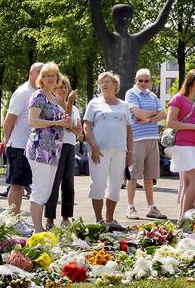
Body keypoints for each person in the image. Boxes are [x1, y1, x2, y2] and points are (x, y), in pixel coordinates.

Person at [83, 71, 132, 231]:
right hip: (99, 151)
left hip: (119, 151)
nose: (104, 84)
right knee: (98, 185)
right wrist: (94, 148)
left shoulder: (124, 105)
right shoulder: (94, 104)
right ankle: (99, 220)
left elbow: (129, 129)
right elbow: (86, 127)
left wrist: (130, 152)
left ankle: (110, 220)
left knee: (115, 186)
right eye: (101, 82)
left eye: (107, 82)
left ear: (115, 86)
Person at [24, 63, 69, 233]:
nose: (51, 78)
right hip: (40, 150)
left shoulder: (54, 98)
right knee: (39, 190)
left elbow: (56, 121)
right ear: (41, 79)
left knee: (47, 191)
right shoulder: (38, 96)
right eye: (47, 75)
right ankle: (37, 229)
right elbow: (33, 121)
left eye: (54, 75)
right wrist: (56, 122)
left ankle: (39, 227)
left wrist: (63, 121)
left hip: (53, 151)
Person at [2, 63, 44, 235]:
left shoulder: (41, 94)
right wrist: (7, 141)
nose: (42, 75)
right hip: (19, 145)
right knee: (17, 184)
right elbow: (9, 119)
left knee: (25, 183)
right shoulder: (23, 93)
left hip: (33, 146)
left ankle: (18, 219)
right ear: (30, 73)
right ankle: (13, 220)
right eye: (39, 72)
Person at [124, 69, 167, 220]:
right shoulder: (131, 93)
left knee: (150, 175)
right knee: (133, 175)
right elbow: (137, 114)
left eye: (146, 80)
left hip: (152, 138)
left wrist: (147, 118)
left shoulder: (153, 95)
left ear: (150, 81)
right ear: (135, 80)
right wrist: (153, 113)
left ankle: (151, 207)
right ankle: (130, 207)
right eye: (140, 80)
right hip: (137, 139)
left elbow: (163, 115)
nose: (143, 83)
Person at [167, 69, 195, 219]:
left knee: (189, 183)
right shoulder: (178, 99)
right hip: (184, 145)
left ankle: (187, 219)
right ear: (190, 82)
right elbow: (170, 123)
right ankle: (184, 219)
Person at [45, 74, 81, 229]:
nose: (62, 90)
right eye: (59, 86)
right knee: (54, 181)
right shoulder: (52, 106)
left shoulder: (76, 110)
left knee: (68, 182)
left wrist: (70, 126)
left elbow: (78, 131)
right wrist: (71, 103)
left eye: (65, 87)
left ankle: (66, 217)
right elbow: (65, 121)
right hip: (56, 146)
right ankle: (49, 219)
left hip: (70, 146)